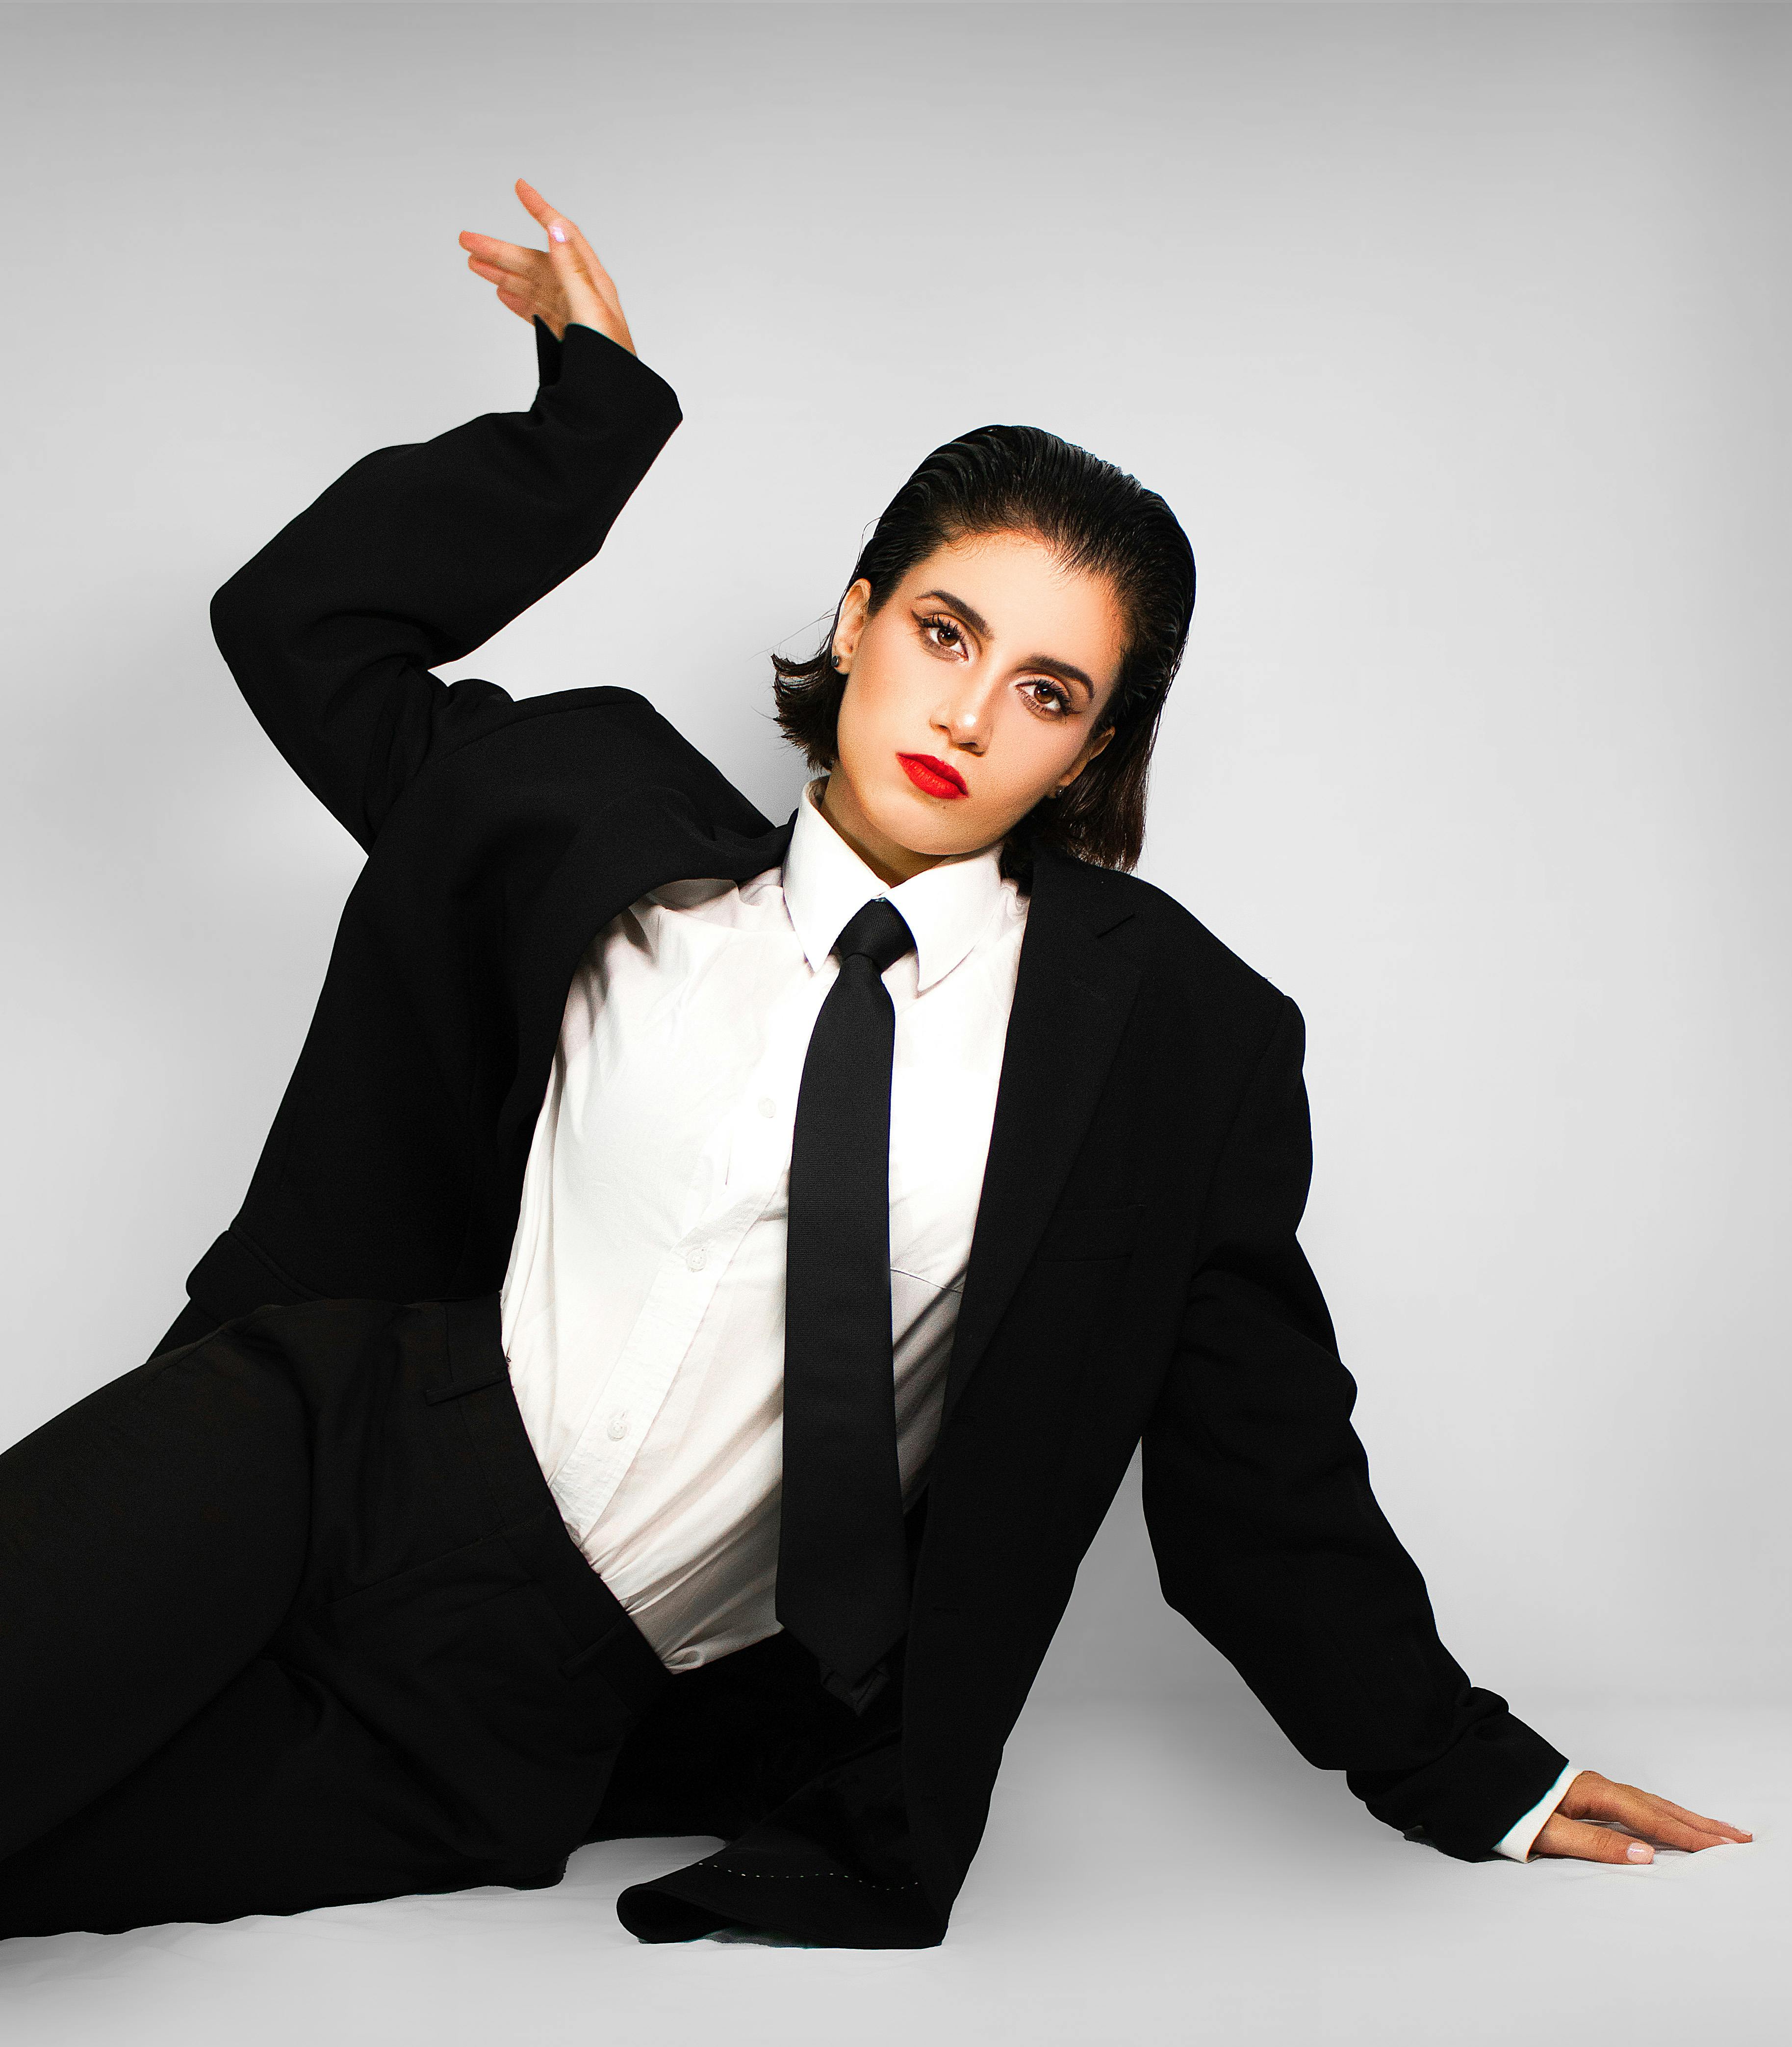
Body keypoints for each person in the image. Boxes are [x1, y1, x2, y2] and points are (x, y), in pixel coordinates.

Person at [0, 180, 1747, 1951]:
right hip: (304, 1448)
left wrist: (1463, 1766)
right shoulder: (592, 824)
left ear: (1088, 756)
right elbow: (297, 626)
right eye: (944, 632)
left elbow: (1259, 1474)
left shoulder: (1171, 1048)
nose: (971, 715)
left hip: (530, 1690)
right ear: (855, 620)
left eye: (1052, 693)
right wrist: (587, 422)